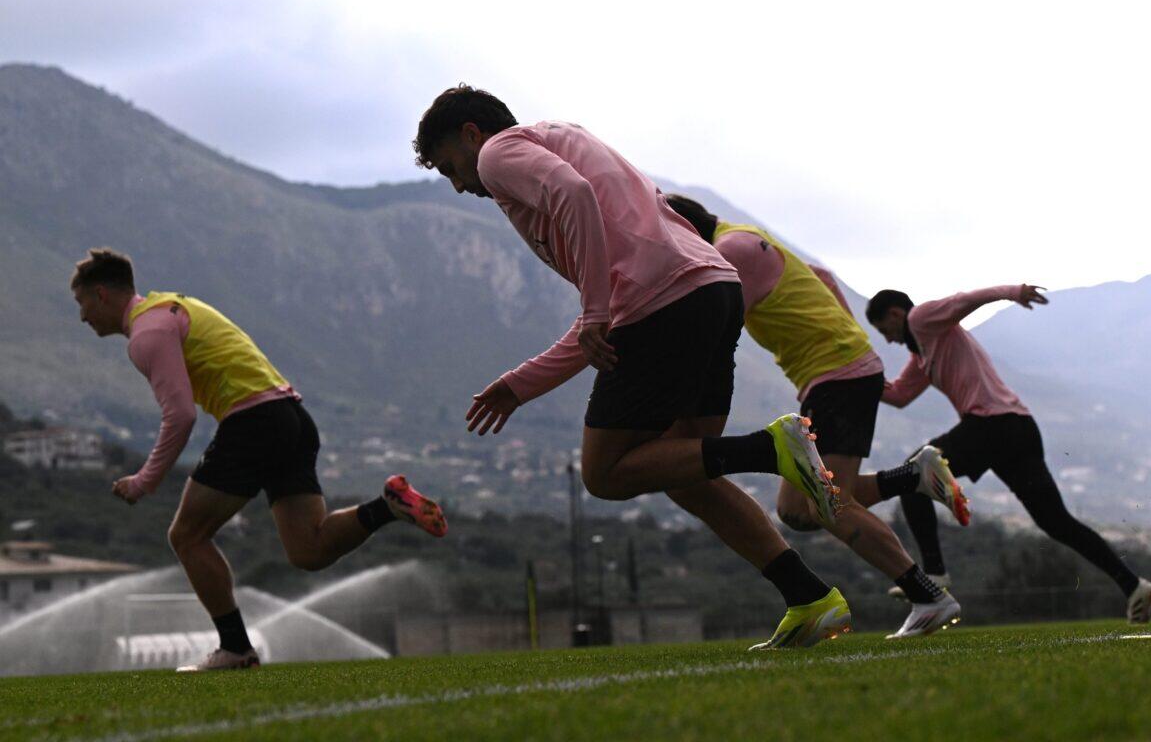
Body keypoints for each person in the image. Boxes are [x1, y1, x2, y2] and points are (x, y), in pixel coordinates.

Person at [414, 85, 849, 649]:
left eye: (451, 166)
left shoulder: (500, 153)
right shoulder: (567, 140)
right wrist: (522, 385)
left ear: (472, 134)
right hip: (711, 290)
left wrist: (596, 310)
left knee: (606, 473)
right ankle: (810, 598)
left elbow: (590, 242)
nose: (459, 185)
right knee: (683, 472)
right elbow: (612, 297)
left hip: (664, 303)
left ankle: (770, 451)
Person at [71, 248, 448, 671]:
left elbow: (180, 414)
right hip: (292, 418)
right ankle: (388, 506)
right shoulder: (171, 305)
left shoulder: (146, 334)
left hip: (253, 421)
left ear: (102, 294)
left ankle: (235, 647)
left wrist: (144, 480)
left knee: (187, 537)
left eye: (82, 303)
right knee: (309, 550)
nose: (83, 316)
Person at [665, 195, 964, 638]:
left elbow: (711, 330)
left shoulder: (730, 254)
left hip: (836, 374)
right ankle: (911, 477)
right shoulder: (746, 238)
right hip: (833, 372)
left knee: (830, 505)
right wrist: (847, 331)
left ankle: (928, 595)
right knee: (798, 509)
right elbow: (820, 275)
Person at [866, 284, 1151, 623]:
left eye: (885, 331)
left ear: (896, 314)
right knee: (1056, 521)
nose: (889, 341)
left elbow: (963, 301)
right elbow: (899, 395)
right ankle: (1134, 585)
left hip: (993, 425)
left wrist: (1013, 292)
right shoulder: (923, 356)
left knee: (912, 475)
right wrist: (858, 380)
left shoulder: (921, 318)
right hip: (1017, 429)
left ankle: (935, 573)